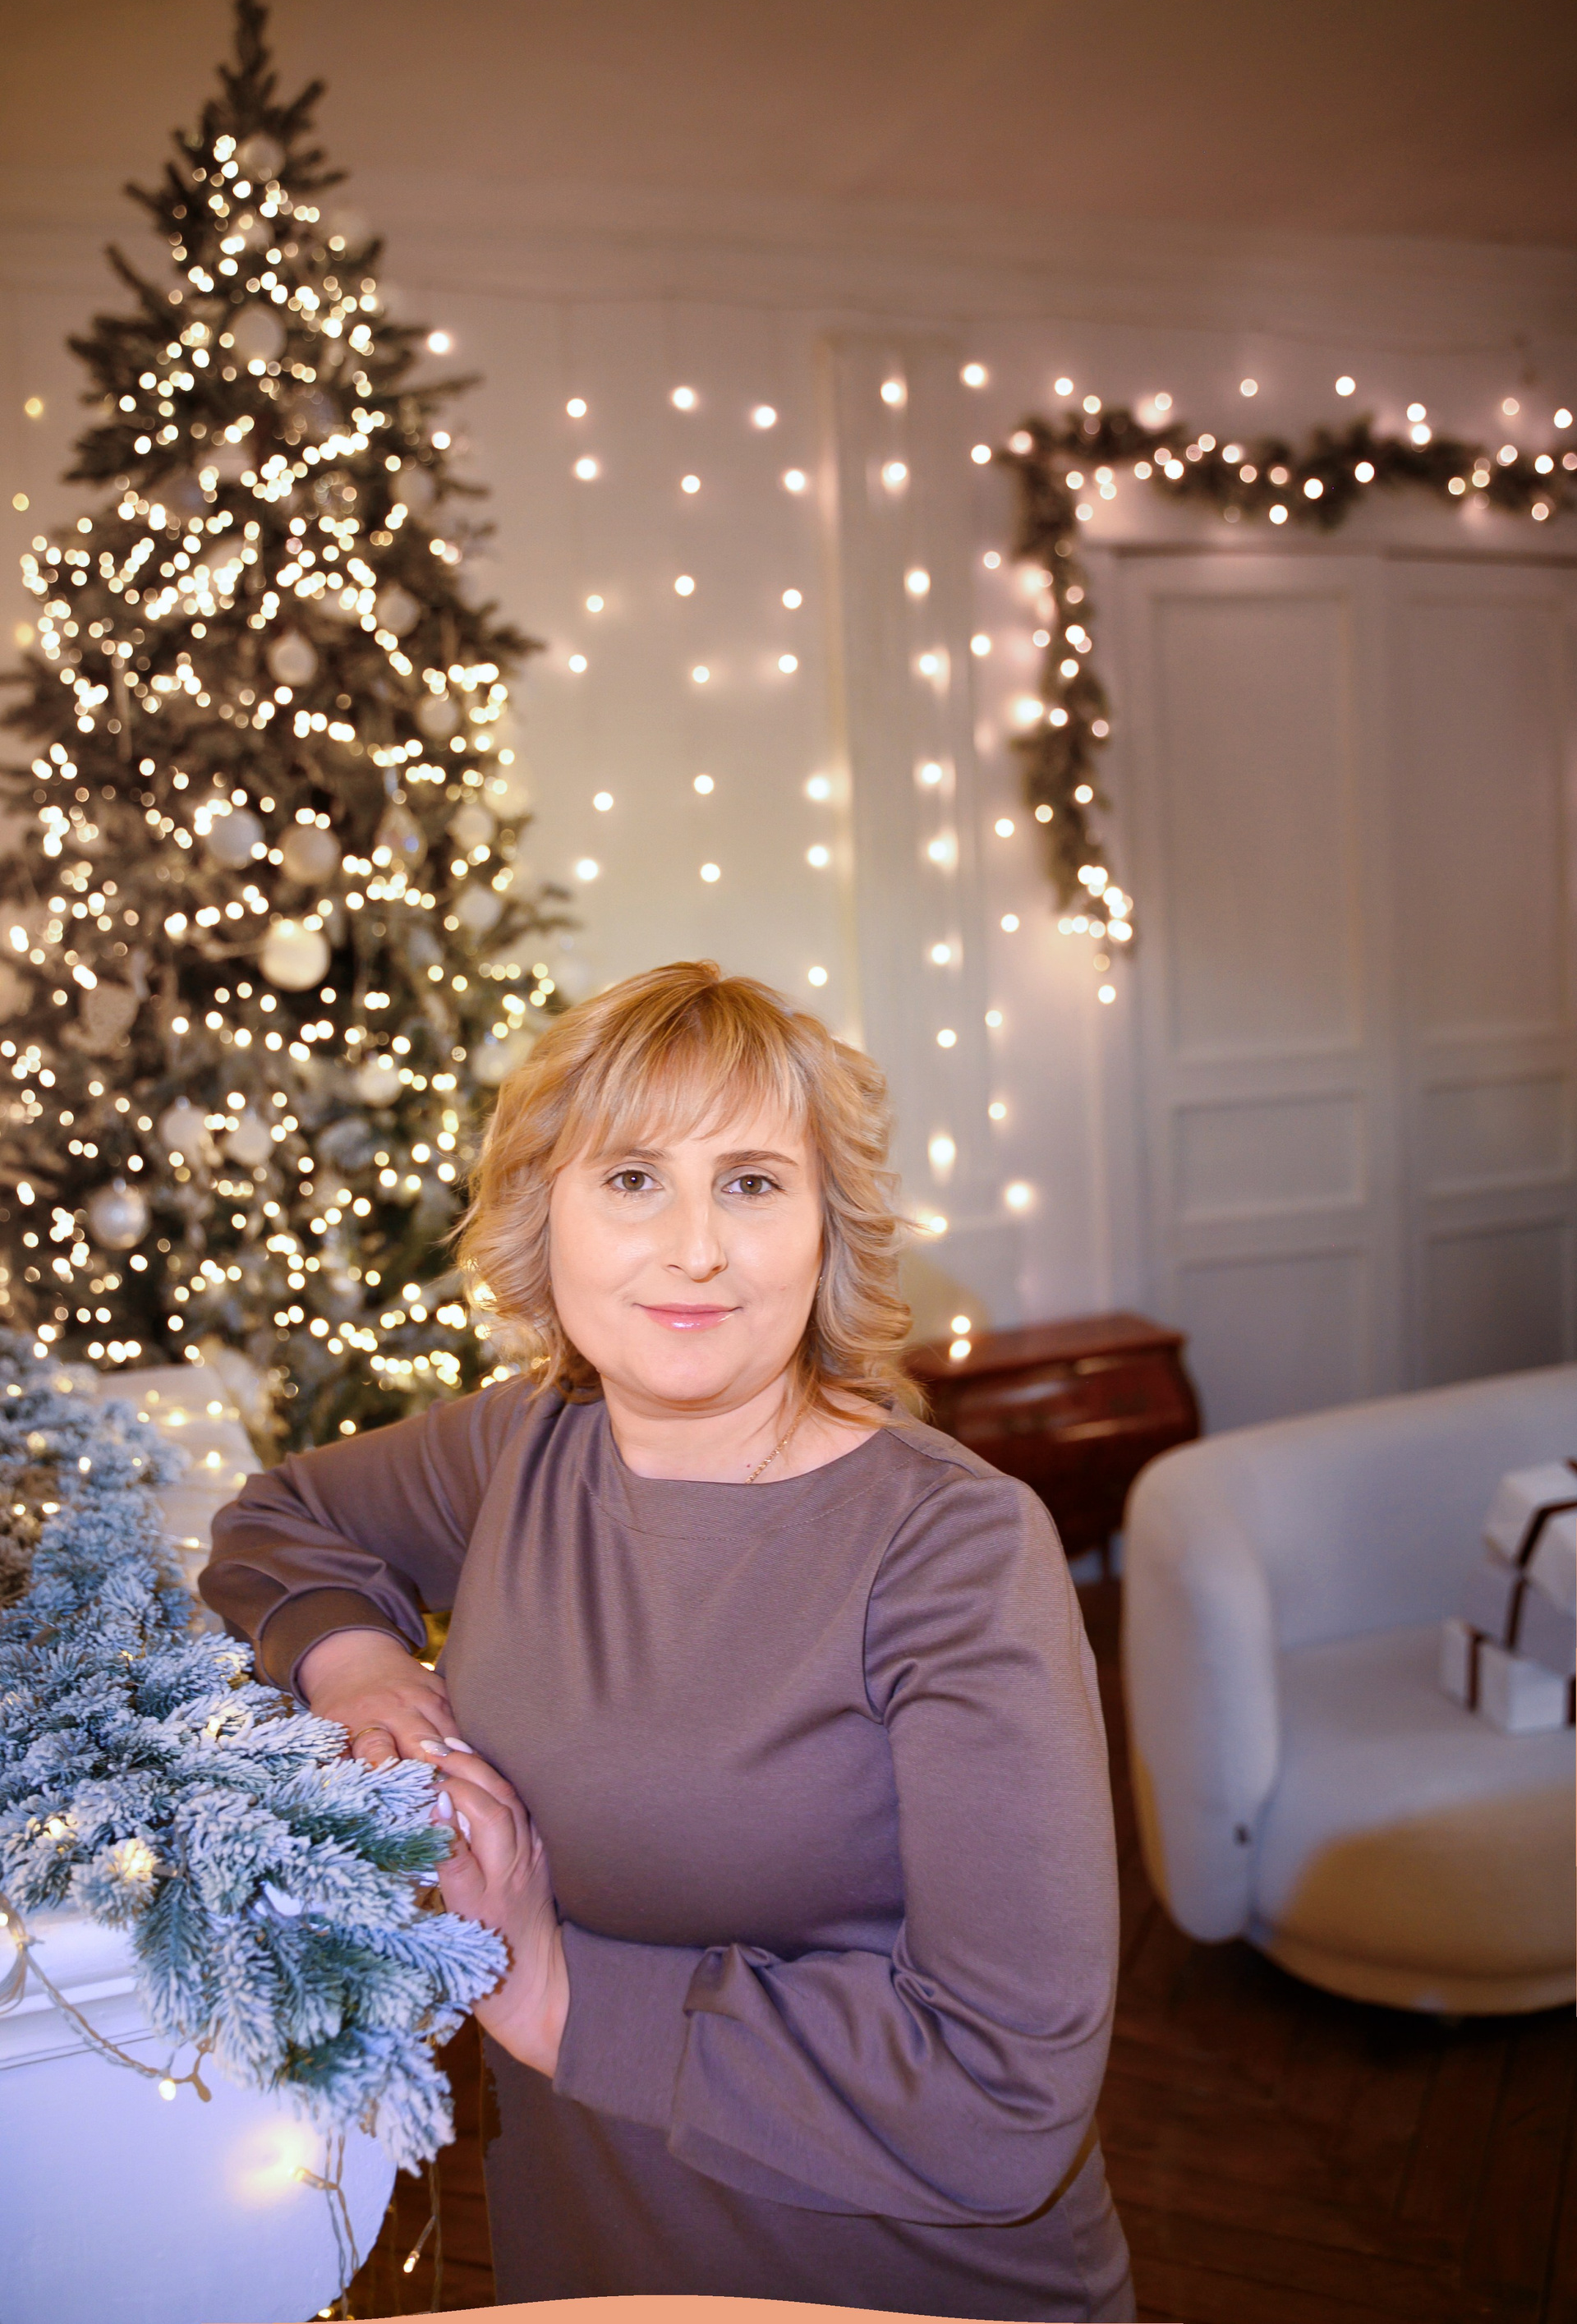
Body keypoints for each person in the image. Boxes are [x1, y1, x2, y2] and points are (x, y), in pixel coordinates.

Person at [203, 960, 1134, 2322]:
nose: (695, 1247)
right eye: (633, 1178)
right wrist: (361, 1666)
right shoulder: (525, 1446)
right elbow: (276, 1522)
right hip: (586, 2266)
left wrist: (553, 1991)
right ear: (545, 1215)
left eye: (751, 1182)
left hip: (893, 2283)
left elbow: (1007, 2093)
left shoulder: (956, 1549)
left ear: (827, 1229)